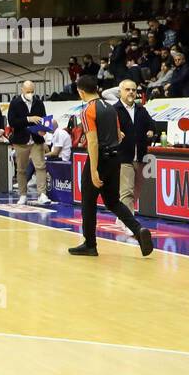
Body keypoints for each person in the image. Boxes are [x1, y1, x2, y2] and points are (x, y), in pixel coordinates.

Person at [68, 77, 153, 257]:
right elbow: (119, 135)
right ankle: (138, 230)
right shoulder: (109, 107)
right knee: (113, 201)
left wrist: (93, 170)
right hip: (116, 158)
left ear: (81, 92)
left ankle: (90, 244)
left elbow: (92, 142)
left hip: (100, 158)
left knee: (88, 202)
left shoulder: (88, 110)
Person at [115, 80, 154, 219]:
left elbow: (152, 124)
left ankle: (122, 215)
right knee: (126, 191)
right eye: (127, 89)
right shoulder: (115, 110)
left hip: (141, 155)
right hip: (124, 156)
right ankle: (128, 220)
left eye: (133, 89)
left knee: (136, 190)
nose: (131, 92)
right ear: (120, 92)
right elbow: (107, 131)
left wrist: (150, 130)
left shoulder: (141, 109)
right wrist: (116, 132)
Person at [6, 80, 50, 204]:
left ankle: (42, 194)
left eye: (32, 91)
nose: (30, 93)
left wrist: (44, 129)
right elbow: (12, 122)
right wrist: (28, 119)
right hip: (21, 140)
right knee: (21, 169)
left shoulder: (38, 102)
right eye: (28, 91)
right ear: (22, 90)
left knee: (40, 166)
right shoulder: (15, 103)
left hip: (36, 139)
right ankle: (23, 194)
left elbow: (44, 118)